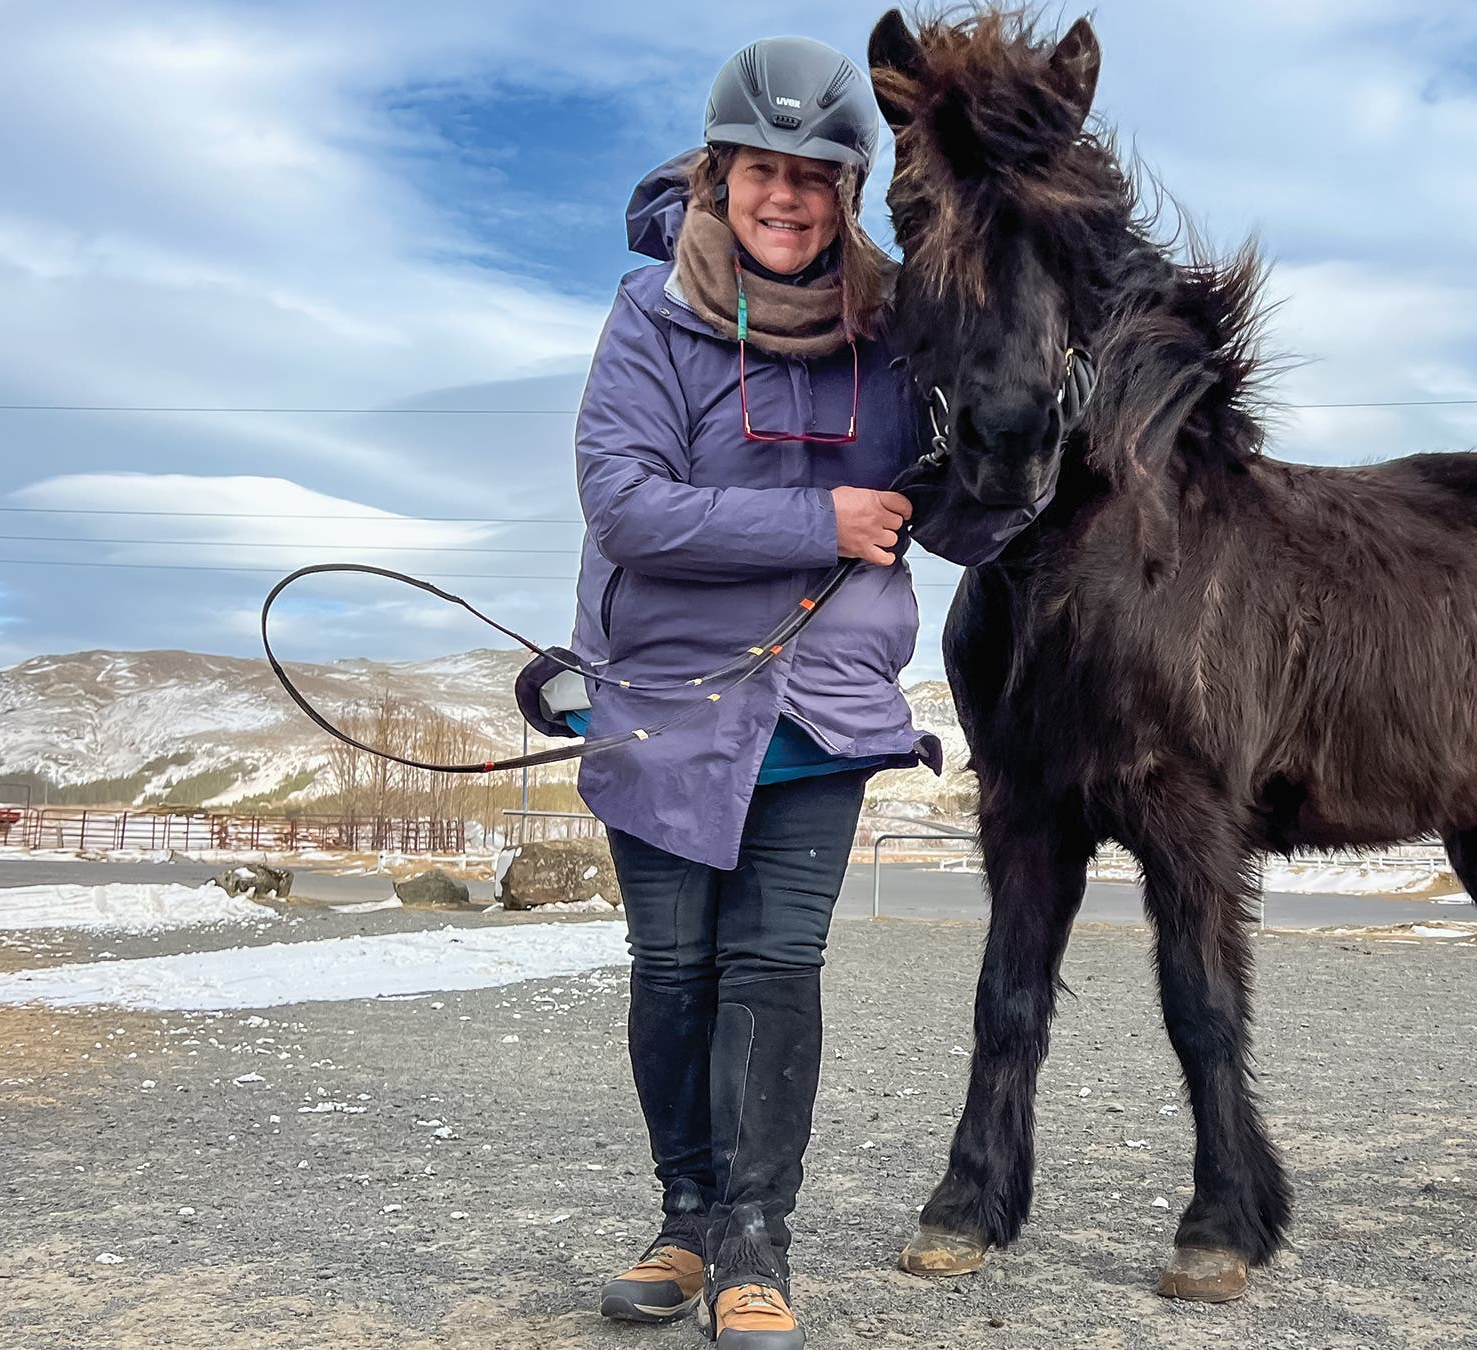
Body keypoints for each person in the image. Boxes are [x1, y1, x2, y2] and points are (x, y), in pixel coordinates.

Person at [514, 35, 1078, 1349]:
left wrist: (1035, 439)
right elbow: (629, 505)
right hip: (659, 697)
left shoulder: (895, 329)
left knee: (773, 967)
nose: (787, 198)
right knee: (674, 968)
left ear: (847, 188)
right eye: (762, 171)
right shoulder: (650, 317)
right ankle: (686, 1219)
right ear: (720, 176)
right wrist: (820, 518)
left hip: (817, 709)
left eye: (815, 176)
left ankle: (757, 1239)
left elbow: (950, 508)